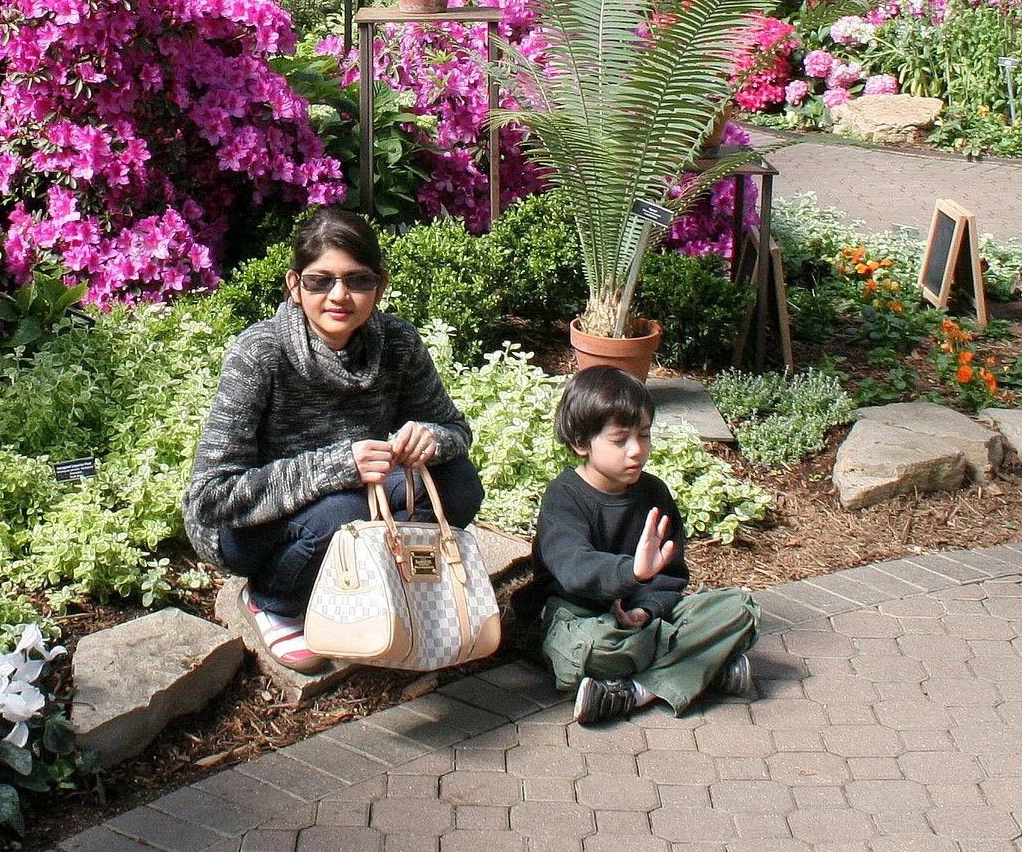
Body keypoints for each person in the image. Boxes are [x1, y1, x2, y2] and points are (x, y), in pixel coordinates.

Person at [185, 208, 485, 674]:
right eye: (320, 281)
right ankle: (275, 599)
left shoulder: (397, 344)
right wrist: (338, 467)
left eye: (357, 280)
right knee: (345, 513)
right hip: (248, 528)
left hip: (348, 499)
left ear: (379, 285)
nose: (339, 295)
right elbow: (211, 498)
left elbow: (454, 430)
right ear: (294, 284)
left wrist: (431, 439)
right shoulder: (260, 354)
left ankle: (373, 576)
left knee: (459, 484)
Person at [534, 367, 761, 722]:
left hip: (644, 620)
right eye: (619, 439)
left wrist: (646, 610)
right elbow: (574, 571)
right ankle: (705, 667)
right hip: (582, 618)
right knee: (602, 648)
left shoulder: (654, 492)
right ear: (581, 442)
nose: (636, 451)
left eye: (644, 435)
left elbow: (670, 577)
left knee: (740, 608)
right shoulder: (564, 497)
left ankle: (634, 692)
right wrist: (632, 573)